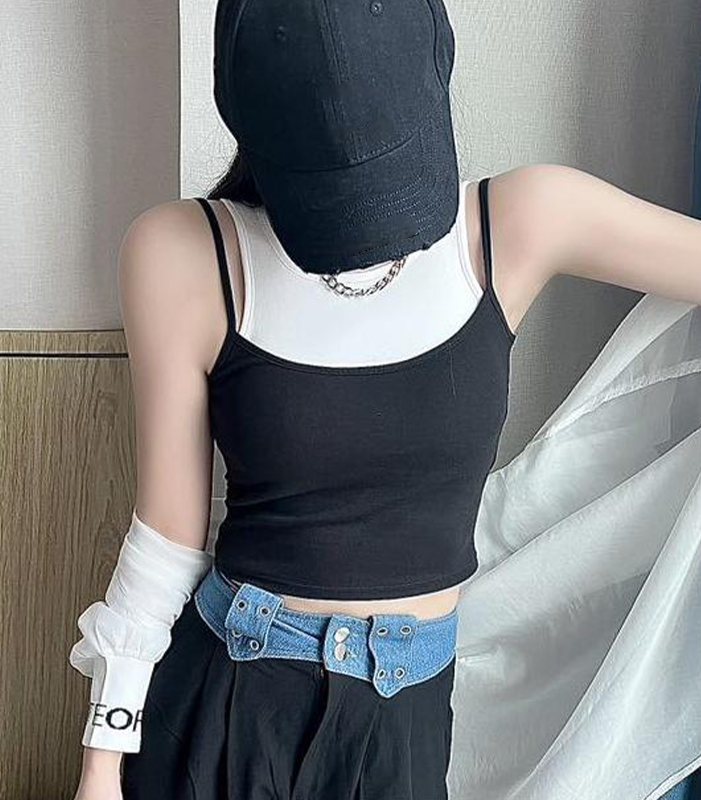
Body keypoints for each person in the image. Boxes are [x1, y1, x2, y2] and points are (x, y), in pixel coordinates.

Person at [69, 1, 701, 798]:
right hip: (228, 700)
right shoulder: (183, 250)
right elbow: (167, 538)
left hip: (406, 722)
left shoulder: (521, 221)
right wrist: (102, 759)